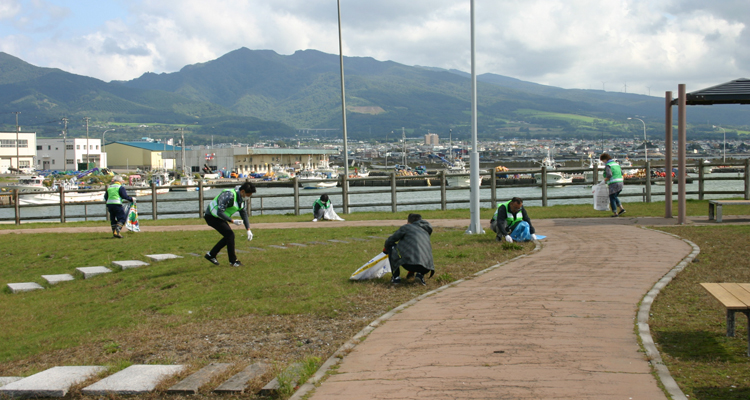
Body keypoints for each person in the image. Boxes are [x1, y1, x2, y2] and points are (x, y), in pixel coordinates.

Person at [204, 182, 256, 267]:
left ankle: (211, 255)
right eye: (248, 195)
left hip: (219, 217)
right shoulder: (229, 195)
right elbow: (219, 212)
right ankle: (233, 261)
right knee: (230, 235)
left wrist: (248, 229)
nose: (248, 197)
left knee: (229, 236)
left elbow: (243, 213)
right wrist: (232, 221)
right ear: (242, 191)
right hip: (211, 216)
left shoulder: (240, 198)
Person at [383, 213, 434, 286]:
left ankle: (396, 277)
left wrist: (386, 249)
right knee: (419, 249)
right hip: (427, 267)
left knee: (392, 245)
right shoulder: (426, 229)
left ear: (408, 222)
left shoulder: (406, 227)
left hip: (409, 264)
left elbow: (391, 240)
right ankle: (420, 275)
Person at [600, 153, 626, 217]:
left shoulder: (608, 165)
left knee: (612, 197)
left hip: (613, 183)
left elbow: (609, 175)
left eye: (603, 161)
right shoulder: (617, 164)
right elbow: (622, 173)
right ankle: (621, 208)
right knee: (614, 196)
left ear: (605, 159)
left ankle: (615, 213)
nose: (603, 162)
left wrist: (603, 181)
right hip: (620, 182)